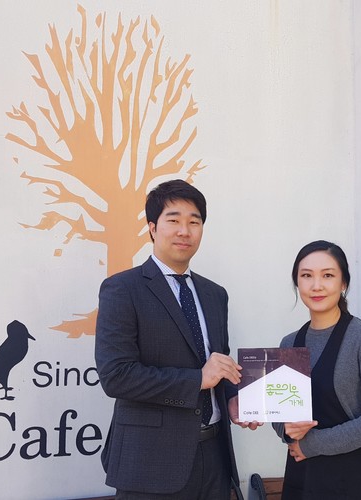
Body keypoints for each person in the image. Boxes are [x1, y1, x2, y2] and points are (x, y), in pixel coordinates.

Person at [95, 179, 249, 499]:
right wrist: (197, 380)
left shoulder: (215, 294)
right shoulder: (122, 289)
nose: (184, 231)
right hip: (150, 463)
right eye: (174, 220)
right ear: (152, 228)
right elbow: (116, 376)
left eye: (194, 222)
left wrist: (233, 399)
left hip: (215, 459)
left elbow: (217, 366)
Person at [273, 240, 361, 500]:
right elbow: (280, 414)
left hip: (352, 478)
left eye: (328, 275)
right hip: (302, 475)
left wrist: (312, 443)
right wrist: (286, 429)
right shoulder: (289, 343)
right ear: (297, 283)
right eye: (306, 276)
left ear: (343, 283)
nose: (316, 285)